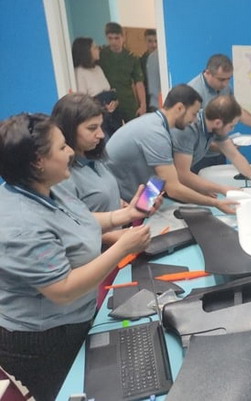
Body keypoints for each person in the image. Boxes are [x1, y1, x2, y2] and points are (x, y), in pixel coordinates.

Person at [0, 113, 151, 401]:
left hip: (74, 318)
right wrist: (122, 247)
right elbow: (63, 289)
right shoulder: (22, 225)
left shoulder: (47, 187)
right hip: (44, 340)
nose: (70, 151)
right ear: (38, 161)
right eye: (62, 147)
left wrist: (124, 215)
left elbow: (77, 220)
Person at [105, 84, 236, 214]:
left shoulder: (156, 124)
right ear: (179, 108)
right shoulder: (156, 133)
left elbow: (158, 176)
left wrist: (146, 206)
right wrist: (216, 203)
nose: (195, 120)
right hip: (114, 201)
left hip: (130, 195)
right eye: (194, 114)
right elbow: (173, 189)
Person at [51, 93, 140, 245]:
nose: (101, 134)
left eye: (100, 126)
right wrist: (114, 237)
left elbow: (96, 198)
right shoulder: (60, 176)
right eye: (92, 128)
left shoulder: (93, 158)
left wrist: (122, 206)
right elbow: (71, 227)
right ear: (68, 129)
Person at [173, 95, 251, 194]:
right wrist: (220, 189)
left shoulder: (215, 128)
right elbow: (182, 174)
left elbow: (234, 155)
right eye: (231, 126)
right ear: (218, 123)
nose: (232, 130)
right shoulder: (188, 129)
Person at [187, 54, 251, 170]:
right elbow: (191, 135)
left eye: (228, 79)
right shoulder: (193, 92)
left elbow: (236, 111)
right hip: (199, 156)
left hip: (219, 151)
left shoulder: (225, 88)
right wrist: (223, 147)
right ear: (208, 73)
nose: (225, 84)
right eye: (221, 79)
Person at [71, 36, 120, 137]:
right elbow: (82, 102)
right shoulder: (79, 72)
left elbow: (110, 91)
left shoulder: (98, 69)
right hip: (98, 121)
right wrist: (102, 107)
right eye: (95, 47)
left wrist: (114, 103)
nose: (98, 49)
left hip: (112, 118)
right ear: (86, 51)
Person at [99, 22, 146, 122]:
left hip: (127, 101)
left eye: (117, 38)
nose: (113, 42)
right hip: (110, 101)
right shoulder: (102, 55)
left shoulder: (131, 57)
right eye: (110, 38)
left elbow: (139, 82)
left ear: (123, 37)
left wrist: (143, 104)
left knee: (133, 127)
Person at [140, 29, 157, 111]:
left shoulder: (164, 59)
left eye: (156, 41)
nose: (154, 45)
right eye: (150, 41)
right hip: (148, 101)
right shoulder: (141, 61)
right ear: (145, 41)